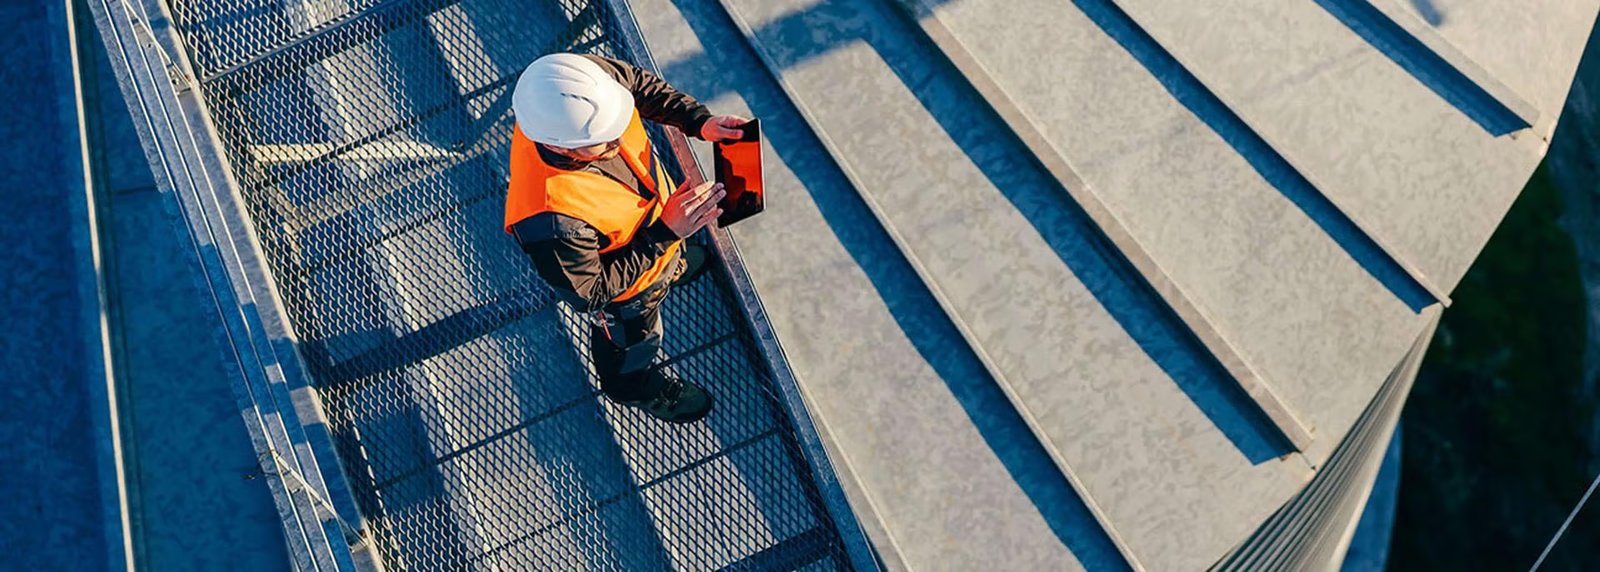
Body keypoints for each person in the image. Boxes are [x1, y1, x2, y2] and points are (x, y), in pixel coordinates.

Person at [504, 52, 750, 423]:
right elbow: (592, 294)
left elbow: (640, 87)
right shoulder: (549, 219)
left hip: (660, 229)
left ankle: (673, 265)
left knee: (671, 252)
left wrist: (699, 121)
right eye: (603, 142)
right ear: (559, 147)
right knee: (633, 344)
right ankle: (632, 387)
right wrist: (666, 232)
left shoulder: (581, 82)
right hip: (631, 295)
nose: (618, 143)